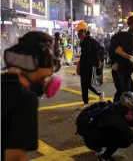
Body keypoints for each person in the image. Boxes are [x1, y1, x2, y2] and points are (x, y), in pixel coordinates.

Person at [2, 31, 62, 161]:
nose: (52, 71)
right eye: (49, 62)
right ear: (35, 63)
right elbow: (15, 158)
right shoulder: (24, 99)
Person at [76, 21, 104, 110]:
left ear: (84, 31)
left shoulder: (89, 41)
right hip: (86, 65)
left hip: (88, 66)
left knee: (86, 84)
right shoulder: (87, 40)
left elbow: (94, 53)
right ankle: (86, 101)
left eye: (79, 32)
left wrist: (97, 64)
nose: (78, 34)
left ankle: (99, 94)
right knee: (85, 84)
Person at [112, 16, 133, 96]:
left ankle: (117, 105)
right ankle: (121, 107)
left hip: (123, 68)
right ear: (131, 24)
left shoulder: (132, 36)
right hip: (122, 68)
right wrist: (130, 57)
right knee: (126, 92)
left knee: (128, 90)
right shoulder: (127, 36)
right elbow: (118, 50)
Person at [112, 34, 133, 102]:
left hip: (127, 70)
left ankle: (119, 105)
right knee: (123, 91)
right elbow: (118, 51)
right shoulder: (126, 43)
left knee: (130, 89)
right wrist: (130, 57)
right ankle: (117, 106)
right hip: (118, 69)